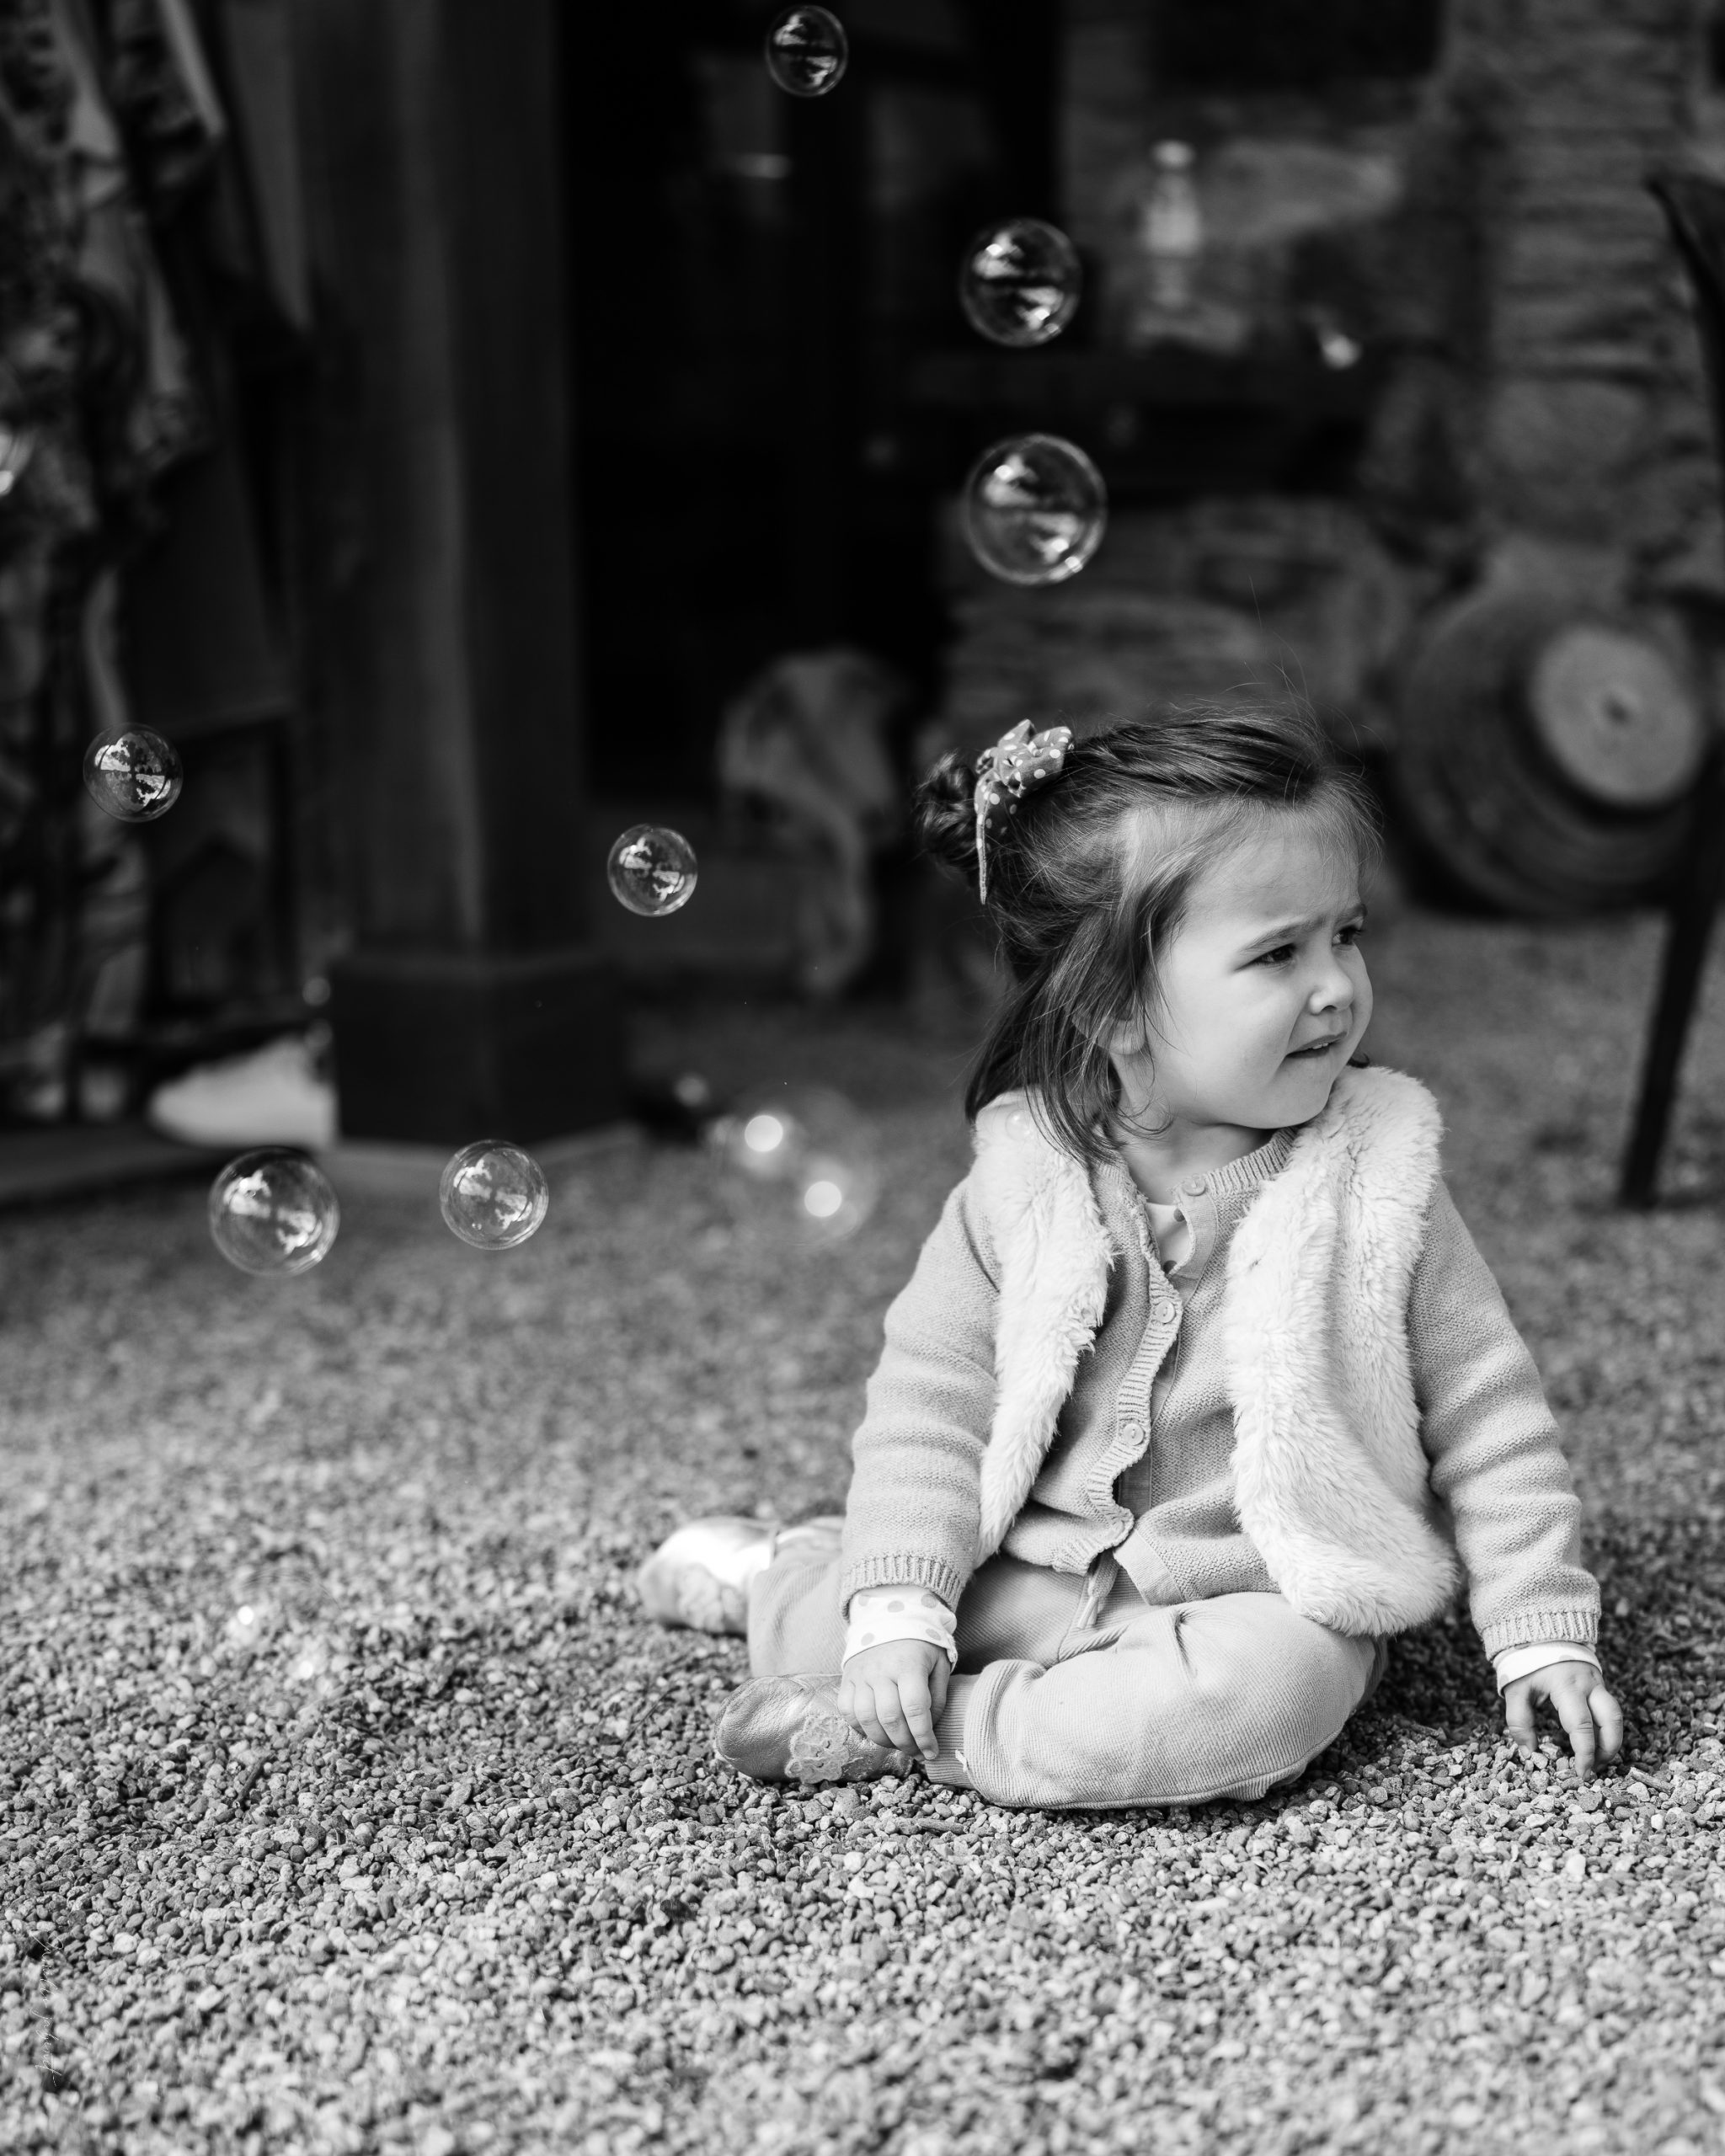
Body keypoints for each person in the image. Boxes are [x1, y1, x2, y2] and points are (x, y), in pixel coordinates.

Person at [637, 707, 1624, 1809]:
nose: (1337, 986)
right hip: (1026, 1570)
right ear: (1109, 1005)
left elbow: (1491, 1413)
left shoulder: (1380, 1175)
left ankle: (943, 1733)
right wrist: (900, 1613)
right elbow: (930, 1407)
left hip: (1255, 1598)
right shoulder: (1025, 1180)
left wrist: (1540, 1630)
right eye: (1279, 953)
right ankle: (783, 1574)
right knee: (859, 1616)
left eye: (1345, 935)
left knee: (1268, 1700)